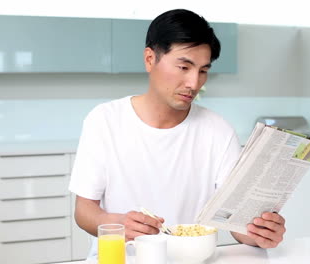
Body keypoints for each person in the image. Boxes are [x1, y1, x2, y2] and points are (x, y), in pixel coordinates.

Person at [69, 9, 286, 258]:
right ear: (150, 59)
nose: (194, 83)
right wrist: (118, 224)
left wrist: (261, 233)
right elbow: (84, 211)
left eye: (203, 71)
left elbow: (237, 224)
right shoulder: (105, 120)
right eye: (184, 66)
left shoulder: (218, 131)